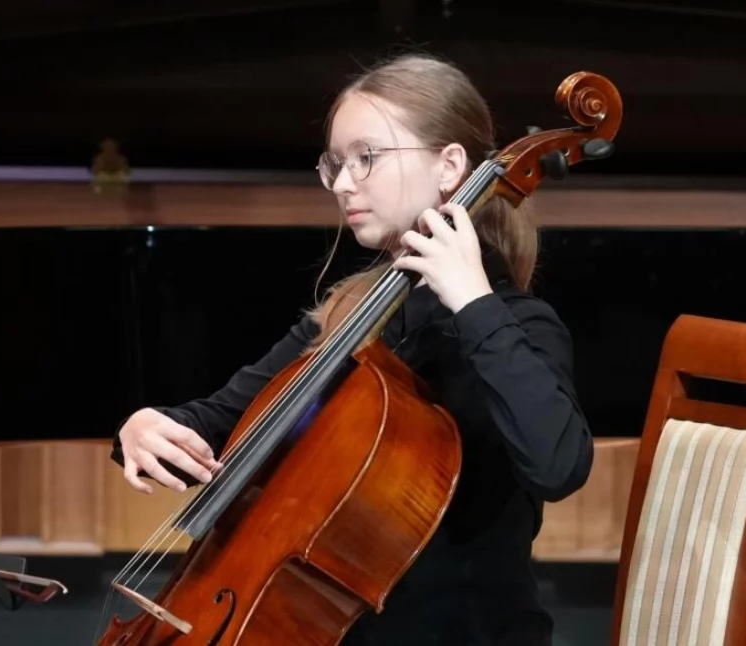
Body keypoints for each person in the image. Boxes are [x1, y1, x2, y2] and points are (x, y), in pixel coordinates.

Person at [111, 52, 595, 646]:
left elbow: (559, 465)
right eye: (335, 164)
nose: (343, 184)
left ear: (449, 167)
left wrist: (474, 303)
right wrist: (145, 426)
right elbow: (220, 420)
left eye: (366, 158)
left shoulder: (517, 324)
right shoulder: (348, 317)